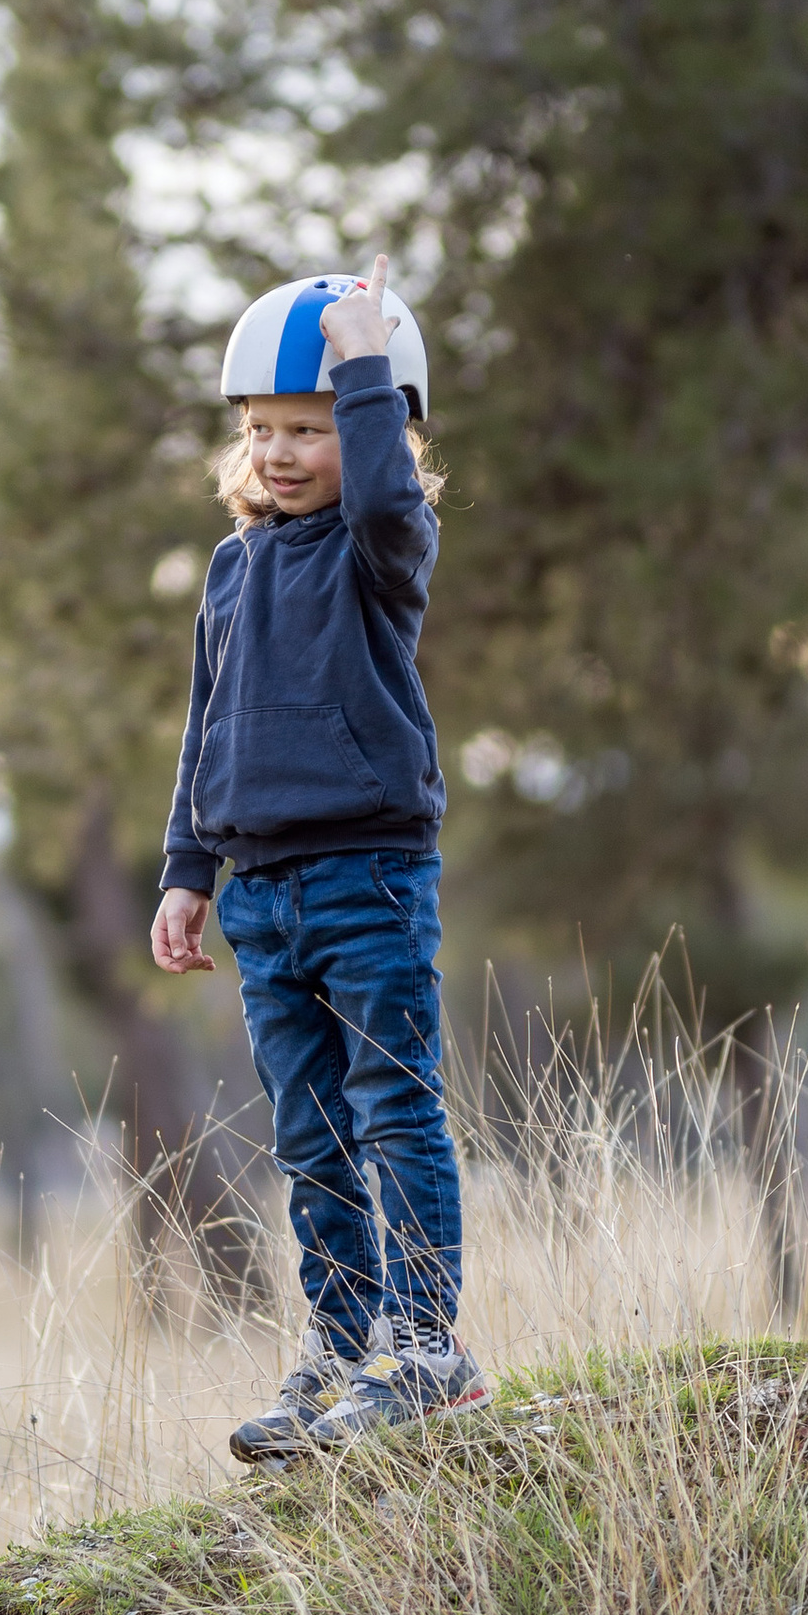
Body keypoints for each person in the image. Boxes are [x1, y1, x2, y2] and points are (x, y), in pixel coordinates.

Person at [152, 255, 489, 1462]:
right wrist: (187, 869)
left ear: (378, 425)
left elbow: (387, 501)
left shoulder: (378, 550)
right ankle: (341, 1355)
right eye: (262, 429)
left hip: (367, 876)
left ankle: (426, 1352)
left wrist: (361, 362)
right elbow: (207, 722)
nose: (283, 450)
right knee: (308, 1136)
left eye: (312, 425)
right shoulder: (234, 566)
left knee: (392, 1108)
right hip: (262, 894)